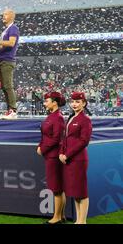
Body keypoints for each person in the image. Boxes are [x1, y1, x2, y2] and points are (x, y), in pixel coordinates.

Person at [59, 91, 92, 224]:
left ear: (84, 103)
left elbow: (84, 141)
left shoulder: (85, 120)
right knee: (76, 192)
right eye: (72, 101)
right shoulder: (71, 118)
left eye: (78, 102)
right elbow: (65, 138)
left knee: (81, 192)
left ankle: (82, 221)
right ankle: (78, 220)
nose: (74, 104)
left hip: (78, 159)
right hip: (68, 159)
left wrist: (67, 154)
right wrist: (61, 152)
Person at [37, 91, 66, 224]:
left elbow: (56, 139)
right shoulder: (52, 116)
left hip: (54, 156)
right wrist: (40, 145)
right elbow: (45, 135)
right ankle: (61, 216)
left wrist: (42, 148)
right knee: (58, 187)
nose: (44, 103)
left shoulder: (58, 117)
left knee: (56, 188)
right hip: (50, 155)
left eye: (47, 101)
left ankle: (57, 218)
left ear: (54, 103)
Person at [0, 8, 20, 119]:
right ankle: (9, 110)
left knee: (8, 86)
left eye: (6, 14)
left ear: (12, 16)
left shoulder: (13, 28)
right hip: (1, 60)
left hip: (7, 60)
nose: (3, 16)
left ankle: (13, 110)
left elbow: (11, 43)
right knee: (5, 87)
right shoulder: (5, 30)